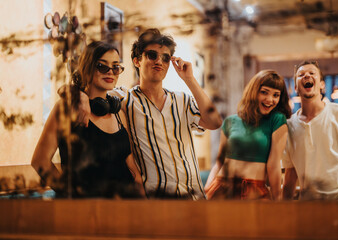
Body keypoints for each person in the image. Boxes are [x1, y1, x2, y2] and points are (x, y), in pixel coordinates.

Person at [76, 29, 222, 199]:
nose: (159, 61)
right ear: (137, 61)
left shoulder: (183, 100)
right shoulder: (122, 99)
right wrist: (77, 94)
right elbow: (93, 91)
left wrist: (189, 79)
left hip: (194, 199)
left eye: (166, 57)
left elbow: (214, 122)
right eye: (152, 55)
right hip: (155, 202)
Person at [31, 41, 145, 198]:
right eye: (102, 66)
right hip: (88, 213)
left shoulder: (119, 114)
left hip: (126, 208)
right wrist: (70, 196)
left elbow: (132, 169)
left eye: (116, 67)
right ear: (87, 67)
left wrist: (144, 205)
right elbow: (40, 161)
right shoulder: (66, 108)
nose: (110, 72)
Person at [282, 60, 338, 200]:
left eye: (312, 73)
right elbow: (290, 174)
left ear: (322, 84)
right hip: (309, 206)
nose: (306, 76)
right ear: (296, 88)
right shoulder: (289, 125)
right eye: (301, 74)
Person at [204, 70, 292, 200]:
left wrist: (277, 198)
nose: (270, 100)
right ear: (253, 91)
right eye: (264, 92)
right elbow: (220, 161)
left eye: (276, 95)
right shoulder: (230, 121)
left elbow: (273, 165)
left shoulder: (277, 120)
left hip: (254, 190)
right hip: (221, 187)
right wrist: (207, 188)